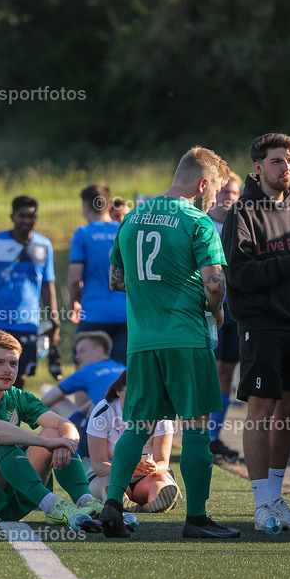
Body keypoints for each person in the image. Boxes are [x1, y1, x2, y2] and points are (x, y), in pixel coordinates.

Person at [101, 145, 240, 539]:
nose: (213, 196)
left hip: (142, 341)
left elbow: (115, 280)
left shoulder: (131, 219)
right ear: (201, 183)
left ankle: (112, 504)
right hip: (186, 338)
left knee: (138, 425)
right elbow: (214, 283)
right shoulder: (197, 221)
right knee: (196, 427)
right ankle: (196, 519)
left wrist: (153, 291)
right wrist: (214, 308)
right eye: (213, 188)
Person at [223, 133, 290, 531]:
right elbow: (240, 275)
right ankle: (262, 503)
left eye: (289, 160)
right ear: (258, 168)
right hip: (261, 324)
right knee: (261, 410)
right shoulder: (242, 213)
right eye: (276, 161)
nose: (285, 167)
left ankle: (278, 499)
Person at [0, 330, 103, 523]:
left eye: (13, 363)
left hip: (11, 502)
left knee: (56, 433)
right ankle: (51, 505)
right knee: (0, 437)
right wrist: (44, 442)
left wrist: (65, 442)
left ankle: (86, 500)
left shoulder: (17, 396)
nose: (8, 370)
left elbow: (65, 423)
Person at [0, 195, 60, 388]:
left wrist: (54, 318)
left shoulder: (44, 246)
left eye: (31, 216)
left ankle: (10, 419)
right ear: (12, 216)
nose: (27, 221)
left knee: (18, 377)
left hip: (28, 322)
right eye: (22, 216)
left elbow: (47, 285)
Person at [86, 371, 180, 513]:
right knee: (107, 485)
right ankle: (118, 498)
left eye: (143, 395)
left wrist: (154, 468)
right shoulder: (103, 411)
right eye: (131, 394)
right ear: (118, 391)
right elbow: (98, 465)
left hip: (145, 477)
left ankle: (155, 499)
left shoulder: (160, 413)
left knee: (162, 485)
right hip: (109, 473)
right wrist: (124, 469)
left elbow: (163, 463)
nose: (137, 401)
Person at [41, 331, 125, 460]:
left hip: (99, 441)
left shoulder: (88, 371)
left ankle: (56, 443)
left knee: (56, 402)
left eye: (82, 351)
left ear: (99, 350)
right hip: (130, 436)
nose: (78, 357)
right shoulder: (122, 368)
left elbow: (45, 400)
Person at [68, 184, 127, 364]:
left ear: (86, 207)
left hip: (94, 314)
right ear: (109, 206)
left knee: (86, 370)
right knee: (121, 375)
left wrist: (73, 303)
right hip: (125, 315)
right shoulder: (124, 230)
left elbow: (74, 279)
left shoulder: (83, 234)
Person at [206, 172, 242, 459]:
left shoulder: (241, 224)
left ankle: (214, 436)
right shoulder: (203, 224)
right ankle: (200, 433)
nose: (229, 197)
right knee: (210, 371)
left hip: (235, 309)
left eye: (235, 193)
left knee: (228, 374)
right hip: (208, 308)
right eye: (225, 192)